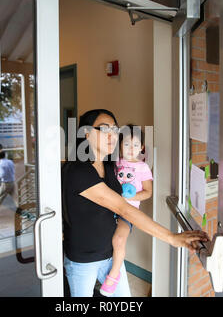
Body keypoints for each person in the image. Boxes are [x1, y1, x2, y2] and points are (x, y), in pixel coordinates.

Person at [62, 109, 209, 297]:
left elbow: (125, 203)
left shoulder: (109, 165)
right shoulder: (79, 171)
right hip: (84, 260)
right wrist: (172, 238)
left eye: (115, 130)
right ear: (86, 133)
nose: (112, 136)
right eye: (104, 129)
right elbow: (122, 207)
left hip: (109, 254)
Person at [100, 124, 152, 296]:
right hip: (108, 208)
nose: (131, 149)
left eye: (136, 145)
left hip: (127, 212)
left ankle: (114, 276)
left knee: (119, 239)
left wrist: (129, 198)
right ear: (120, 145)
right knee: (104, 239)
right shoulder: (114, 162)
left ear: (142, 147)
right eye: (127, 144)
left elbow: (148, 192)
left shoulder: (143, 167)